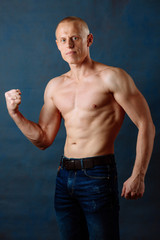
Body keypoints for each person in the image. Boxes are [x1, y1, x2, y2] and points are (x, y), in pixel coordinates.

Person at [5, 16, 155, 240]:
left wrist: (138, 175)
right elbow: (44, 139)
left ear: (89, 39)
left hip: (97, 175)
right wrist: (15, 113)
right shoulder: (55, 86)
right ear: (57, 45)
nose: (69, 45)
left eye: (75, 38)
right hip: (64, 177)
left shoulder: (112, 77)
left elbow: (146, 125)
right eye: (63, 40)